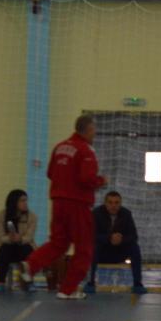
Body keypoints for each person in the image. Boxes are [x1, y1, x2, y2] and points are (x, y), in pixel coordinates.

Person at [26, 116, 108, 299]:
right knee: (84, 248)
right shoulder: (85, 150)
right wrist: (101, 181)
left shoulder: (59, 147)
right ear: (88, 130)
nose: (95, 134)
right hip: (78, 204)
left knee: (58, 242)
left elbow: (50, 173)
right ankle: (67, 289)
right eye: (94, 130)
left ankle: (30, 265)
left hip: (58, 202)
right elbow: (87, 178)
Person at [83, 192, 147, 294]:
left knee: (134, 247)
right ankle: (90, 283)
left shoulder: (126, 214)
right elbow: (91, 236)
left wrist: (121, 240)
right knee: (93, 247)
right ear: (105, 203)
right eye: (110, 202)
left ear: (120, 203)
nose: (113, 205)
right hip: (102, 253)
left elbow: (133, 236)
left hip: (119, 252)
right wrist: (109, 238)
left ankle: (137, 284)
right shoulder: (96, 214)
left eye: (116, 203)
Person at [0, 189, 36, 291]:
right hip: (8, 246)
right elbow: (1, 236)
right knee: (3, 250)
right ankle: (1, 282)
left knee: (27, 250)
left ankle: (29, 282)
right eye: (22, 200)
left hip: (24, 245)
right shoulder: (0, 215)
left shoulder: (32, 216)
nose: (25, 203)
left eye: (26, 200)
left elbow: (29, 236)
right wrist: (10, 238)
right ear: (14, 202)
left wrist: (20, 239)